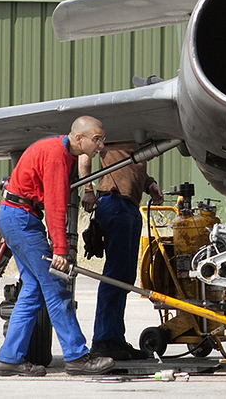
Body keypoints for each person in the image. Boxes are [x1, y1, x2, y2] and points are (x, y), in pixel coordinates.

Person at [0, 115, 115, 377]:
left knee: (34, 290)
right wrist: (60, 250)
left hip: (17, 216)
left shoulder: (62, 152)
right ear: (78, 137)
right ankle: (77, 356)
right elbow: (56, 205)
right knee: (56, 286)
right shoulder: (56, 155)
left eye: (102, 140)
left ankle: (9, 358)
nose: (101, 146)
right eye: (97, 140)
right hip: (21, 219)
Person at [80, 143, 163, 360]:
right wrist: (88, 189)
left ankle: (115, 339)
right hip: (115, 202)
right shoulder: (115, 127)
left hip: (128, 206)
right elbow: (84, 155)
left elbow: (130, 168)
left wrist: (149, 184)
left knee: (125, 276)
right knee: (115, 276)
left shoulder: (137, 136)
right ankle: (103, 340)